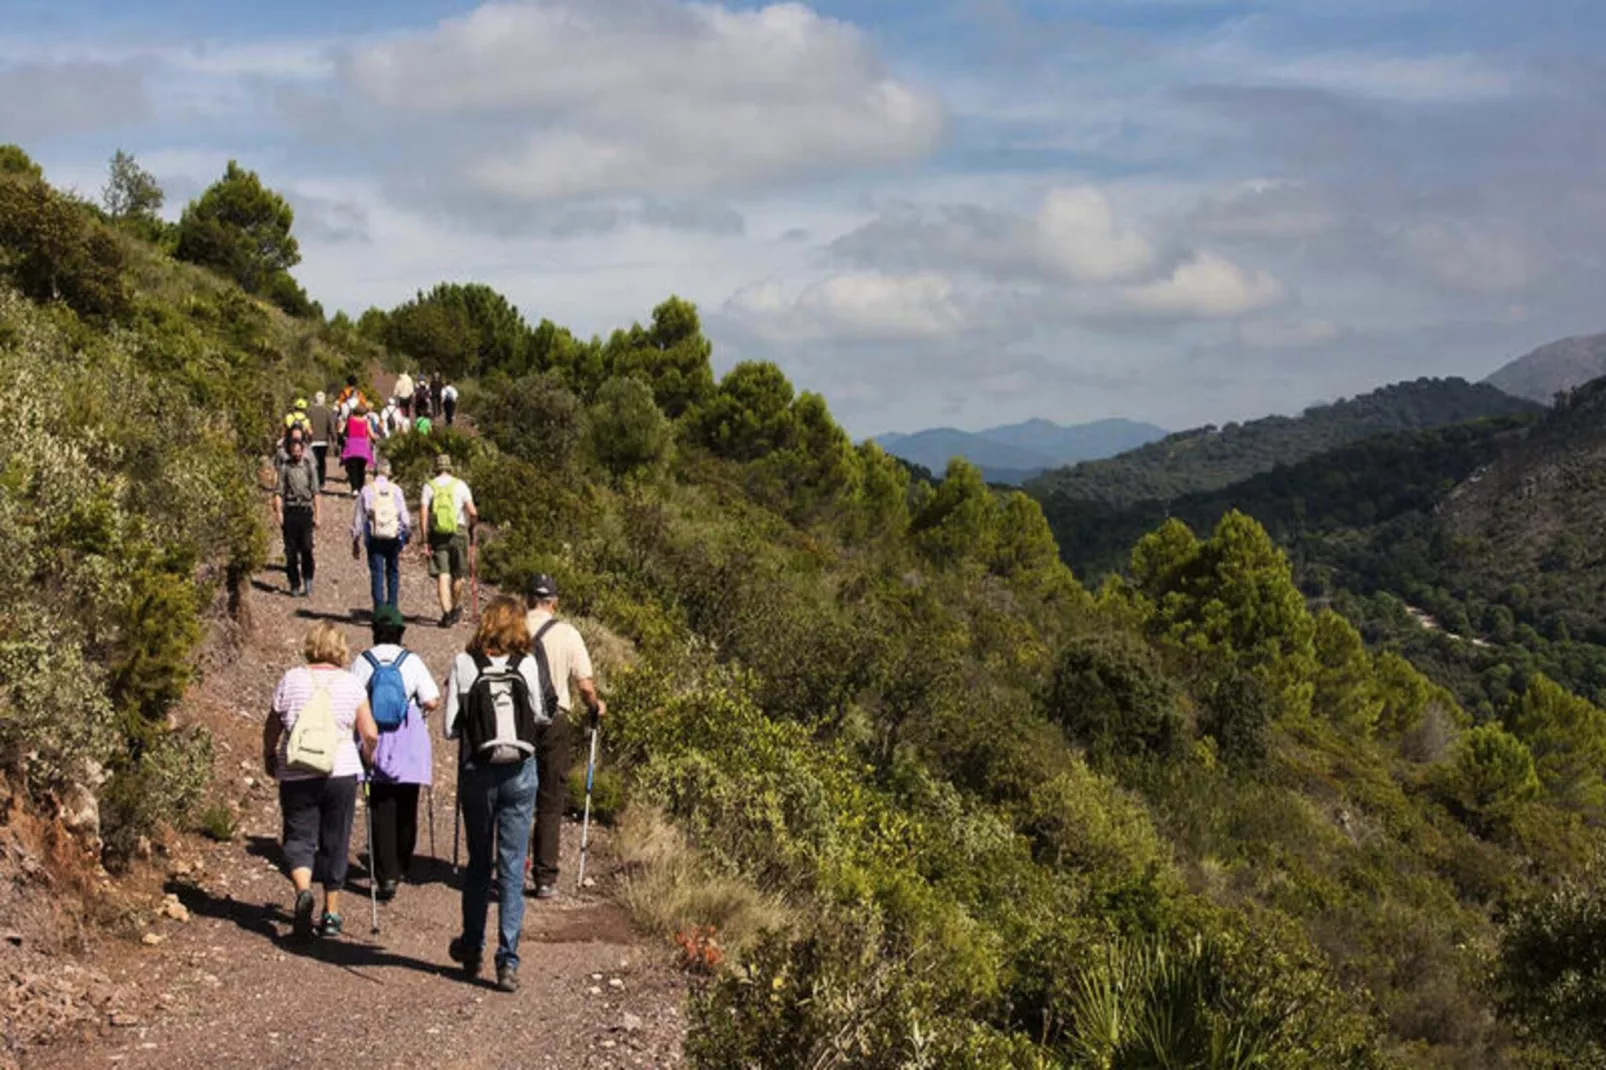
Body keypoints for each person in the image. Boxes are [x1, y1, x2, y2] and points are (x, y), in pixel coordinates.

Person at [442, 597, 546, 992]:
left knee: (478, 864)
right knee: (512, 866)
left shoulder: (465, 663)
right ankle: (508, 961)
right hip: (520, 772)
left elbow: (450, 728)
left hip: (478, 774)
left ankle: (471, 946)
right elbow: (539, 715)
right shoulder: (527, 664)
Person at [263, 622, 379, 941]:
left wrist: (269, 754)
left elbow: (274, 722)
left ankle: (303, 892)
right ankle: (331, 914)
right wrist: (369, 758)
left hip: (297, 769)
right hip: (340, 771)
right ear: (340, 648)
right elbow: (369, 733)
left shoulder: (292, 678)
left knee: (299, 837)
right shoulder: (351, 684)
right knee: (335, 840)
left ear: (310, 645)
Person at [523, 574, 605, 899]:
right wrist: (595, 705)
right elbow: (584, 685)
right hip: (556, 722)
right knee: (550, 798)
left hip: (516, 719)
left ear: (528, 598)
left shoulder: (510, 627)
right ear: (553, 602)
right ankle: (545, 878)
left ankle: (507, 864)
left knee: (512, 792)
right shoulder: (568, 634)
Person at [350, 605, 439, 902]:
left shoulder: (363, 661)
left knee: (380, 806)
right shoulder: (411, 661)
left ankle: (386, 874)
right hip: (407, 738)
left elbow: (353, 700)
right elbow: (432, 700)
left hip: (374, 736)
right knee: (406, 804)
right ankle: (401, 863)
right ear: (401, 632)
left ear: (375, 631)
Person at [419, 455, 477, 628]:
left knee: (442, 575)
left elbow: (423, 514)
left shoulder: (429, 487)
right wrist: (471, 529)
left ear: (436, 468)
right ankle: (454, 607)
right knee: (458, 574)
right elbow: (473, 512)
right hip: (459, 532)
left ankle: (447, 612)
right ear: (450, 467)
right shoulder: (460, 485)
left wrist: (424, 539)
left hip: (438, 535)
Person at [352, 457, 410, 613]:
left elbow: (359, 517)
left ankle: (379, 608)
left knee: (376, 572)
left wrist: (355, 539)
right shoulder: (396, 490)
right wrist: (406, 534)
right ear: (389, 471)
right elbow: (404, 517)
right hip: (392, 536)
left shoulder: (367, 489)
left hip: (374, 536)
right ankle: (392, 606)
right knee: (393, 570)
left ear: (375, 471)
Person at [273, 434, 320, 597]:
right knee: (291, 551)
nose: (297, 455)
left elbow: (316, 492)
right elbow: (278, 492)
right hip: (290, 510)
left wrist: (318, 514)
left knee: (307, 547)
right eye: (294, 452)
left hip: (306, 510)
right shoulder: (285, 468)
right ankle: (294, 582)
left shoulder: (309, 467)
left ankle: (308, 578)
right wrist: (278, 513)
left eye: (300, 452)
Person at [342, 402, 375, 497]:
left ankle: (354, 488)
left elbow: (344, 432)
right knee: (361, 468)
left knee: (352, 468)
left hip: (351, 445)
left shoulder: (350, 420)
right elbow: (371, 434)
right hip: (363, 446)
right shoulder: (366, 421)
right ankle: (360, 488)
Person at [307, 391, 338, 491]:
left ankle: (312, 482)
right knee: (321, 462)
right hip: (323, 442)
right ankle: (321, 482)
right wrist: (334, 439)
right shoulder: (327, 411)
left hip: (311, 441)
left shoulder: (309, 411)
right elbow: (331, 426)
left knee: (312, 462)